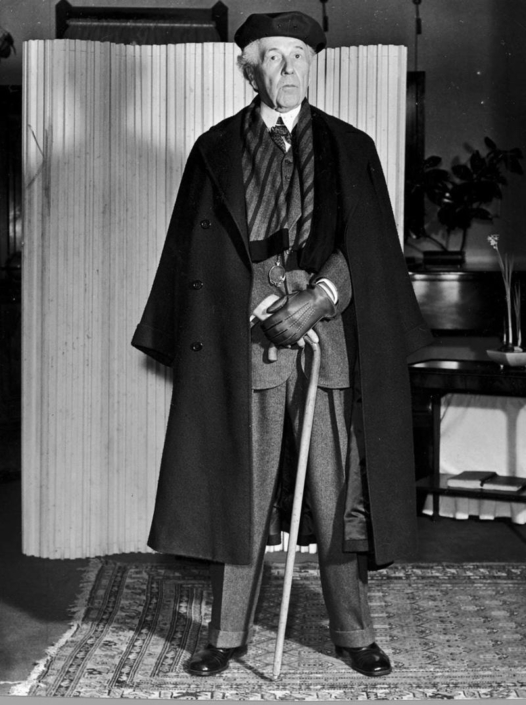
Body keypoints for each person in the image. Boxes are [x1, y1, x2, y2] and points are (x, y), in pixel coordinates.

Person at [132, 10, 432, 679]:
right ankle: (227, 635)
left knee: (337, 492)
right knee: (239, 486)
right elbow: (200, 256)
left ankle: (353, 632)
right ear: (250, 70)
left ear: (312, 64)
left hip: (329, 335)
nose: (289, 68)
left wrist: (320, 296)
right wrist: (257, 302)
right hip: (247, 342)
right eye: (274, 57)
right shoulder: (214, 149)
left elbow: (369, 246)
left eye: (299, 55)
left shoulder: (351, 146)